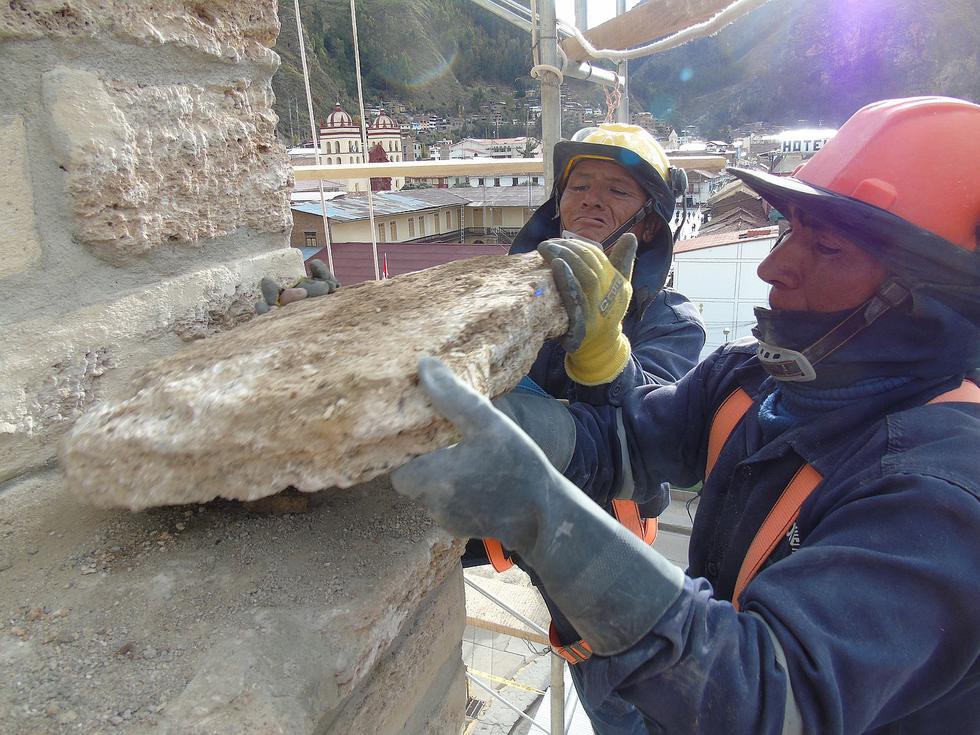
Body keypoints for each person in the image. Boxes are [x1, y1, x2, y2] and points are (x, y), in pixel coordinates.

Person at [391, 96, 980, 734]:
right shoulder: (750, 381)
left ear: (928, 298)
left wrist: (545, 515)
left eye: (828, 248)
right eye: (788, 231)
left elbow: (760, 702)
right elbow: (626, 442)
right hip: (666, 666)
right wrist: (460, 409)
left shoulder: (940, 492)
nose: (771, 265)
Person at [468, 124, 705, 734]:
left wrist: (606, 348)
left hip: (600, 536)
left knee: (613, 680)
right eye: (580, 185)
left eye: (619, 191)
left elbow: (644, 440)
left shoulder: (671, 320)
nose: (592, 199)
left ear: (648, 225)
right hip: (516, 509)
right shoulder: (519, 293)